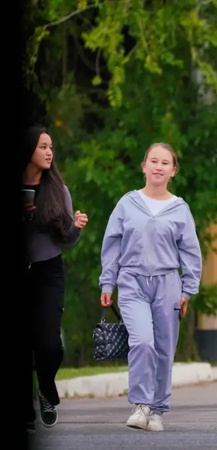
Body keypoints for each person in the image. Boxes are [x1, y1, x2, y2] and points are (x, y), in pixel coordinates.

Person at [98, 143, 203, 432]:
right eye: (153, 161)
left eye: (165, 163)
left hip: (168, 283)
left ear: (173, 171)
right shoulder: (127, 204)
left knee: (164, 348)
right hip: (131, 281)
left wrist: (187, 290)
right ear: (144, 166)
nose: (158, 166)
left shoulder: (180, 209)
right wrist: (108, 281)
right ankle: (141, 404)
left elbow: (191, 252)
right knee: (142, 341)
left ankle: (157, 410)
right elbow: (112, 244)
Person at [22, 126, 89, 431]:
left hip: (48, 272)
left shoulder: (58, 190)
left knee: (50, 346)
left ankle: (46, 388)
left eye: (51, 147)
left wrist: (76, 227)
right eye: (43, 146)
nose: (49, 152)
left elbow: (67, 238)